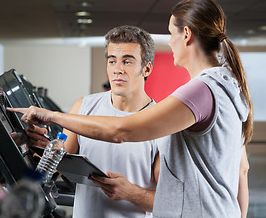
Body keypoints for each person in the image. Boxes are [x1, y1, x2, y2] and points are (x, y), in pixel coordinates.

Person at [9, 0, 252, 218]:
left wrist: (52, 116)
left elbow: (121, 131)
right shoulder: (228, 88)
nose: (117, 68)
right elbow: (242, 169)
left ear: (186, 34)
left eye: (170, 33)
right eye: (112, 60)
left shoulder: (200, 91)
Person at [23, 25, 164, 217]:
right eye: (112, 61)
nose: (117, 70)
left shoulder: (161, 123)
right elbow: (56, 168)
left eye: (128, 62)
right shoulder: (83, 107)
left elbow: (168, 202)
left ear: (146, 68)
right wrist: (42, 148)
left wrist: (131, 193)